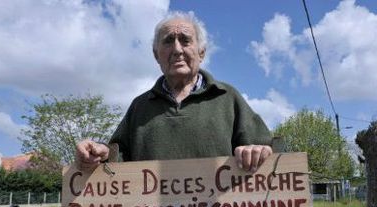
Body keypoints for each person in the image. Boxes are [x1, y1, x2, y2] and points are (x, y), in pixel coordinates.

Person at [76, 11, 273, 172]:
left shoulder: (227, 98)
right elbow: (116, 159)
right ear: (156, 55)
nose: (177, 49)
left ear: (201, 52)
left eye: (185, 40)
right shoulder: (140, 106)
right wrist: (98, 154)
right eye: (168, 41)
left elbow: (271, 152)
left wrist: (258, 151)